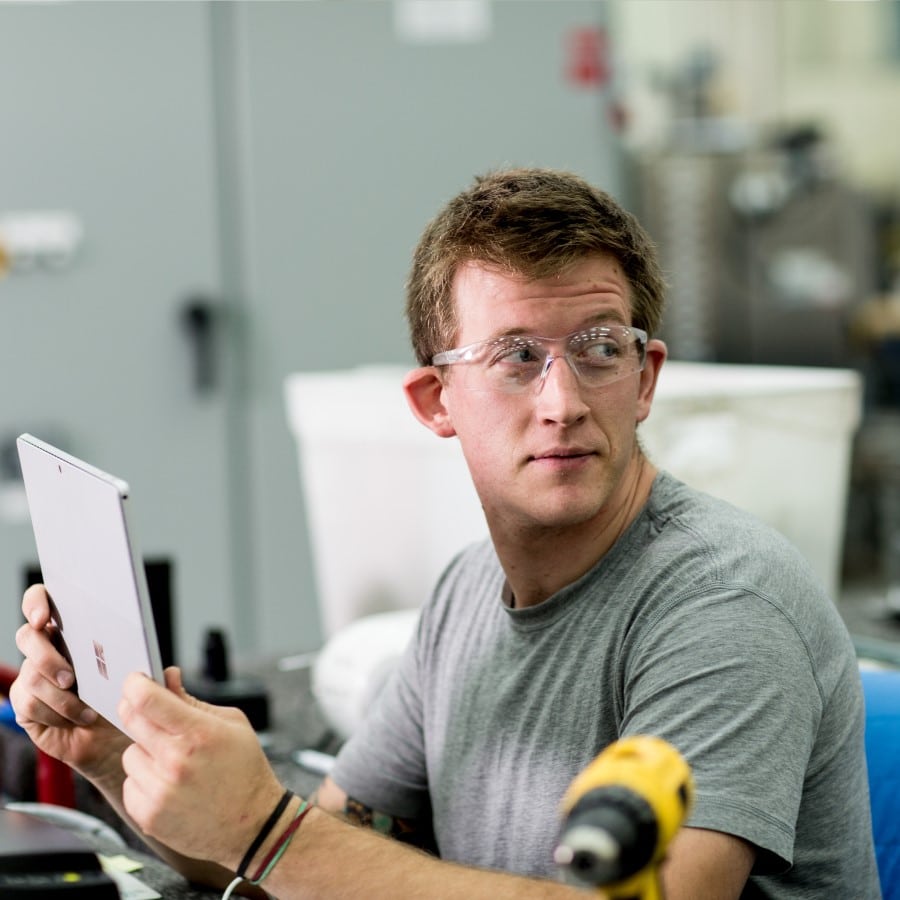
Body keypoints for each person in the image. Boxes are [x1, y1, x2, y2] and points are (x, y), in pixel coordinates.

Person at [11, 167, 880, 899]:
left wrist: (269, 830)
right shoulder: (467, 592)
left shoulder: (725, 602)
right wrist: (115, 755)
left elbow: (288, 848)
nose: (564, 401)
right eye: (515, 357)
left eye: (600, 348)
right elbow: (313, 858)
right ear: (436, 403)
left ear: (644, 379)